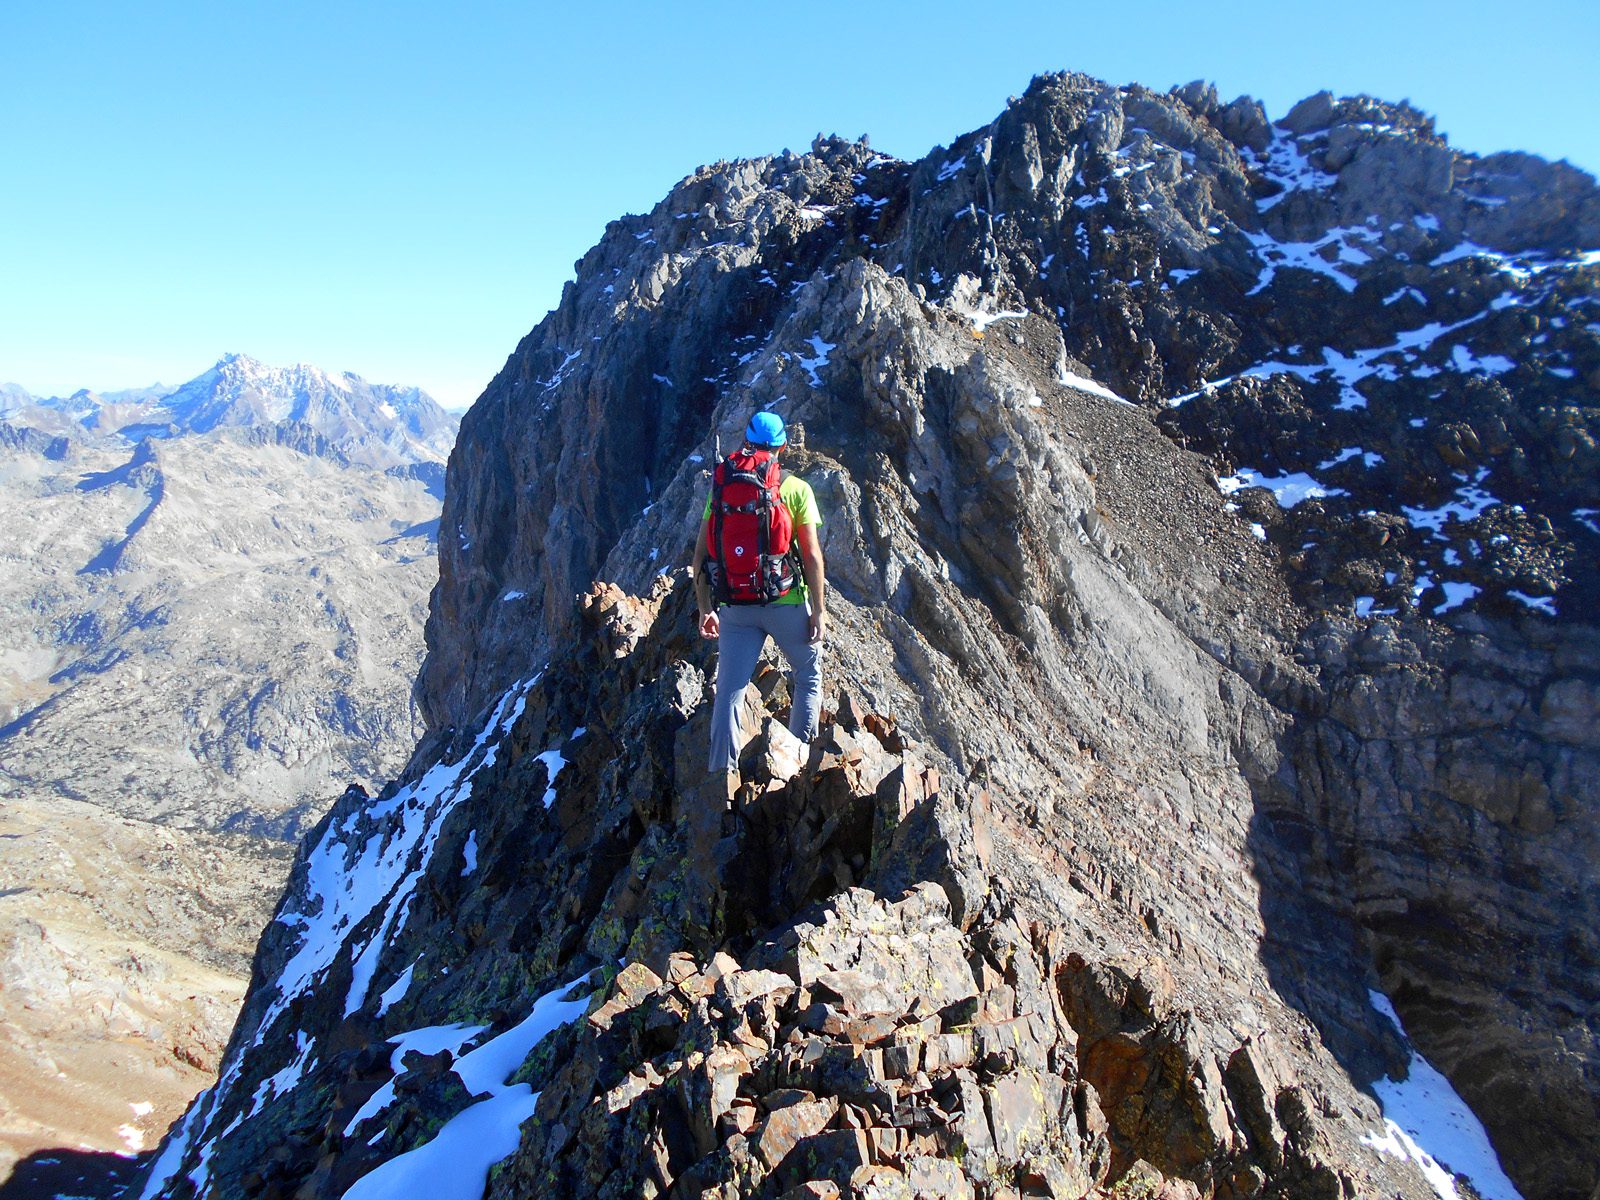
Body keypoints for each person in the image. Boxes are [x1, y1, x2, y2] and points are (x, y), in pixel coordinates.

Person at [691, 411, 827, 778]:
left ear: (747, 442)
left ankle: (722, 780)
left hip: (735, 606)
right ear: (782, 445)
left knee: (730, 691)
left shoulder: (722, 486)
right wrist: (818, 610)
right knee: (808, 673)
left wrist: (706, 608)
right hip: (783, 602)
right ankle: (798, 767)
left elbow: (700, 556)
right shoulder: (795, 488)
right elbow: (811, 555)